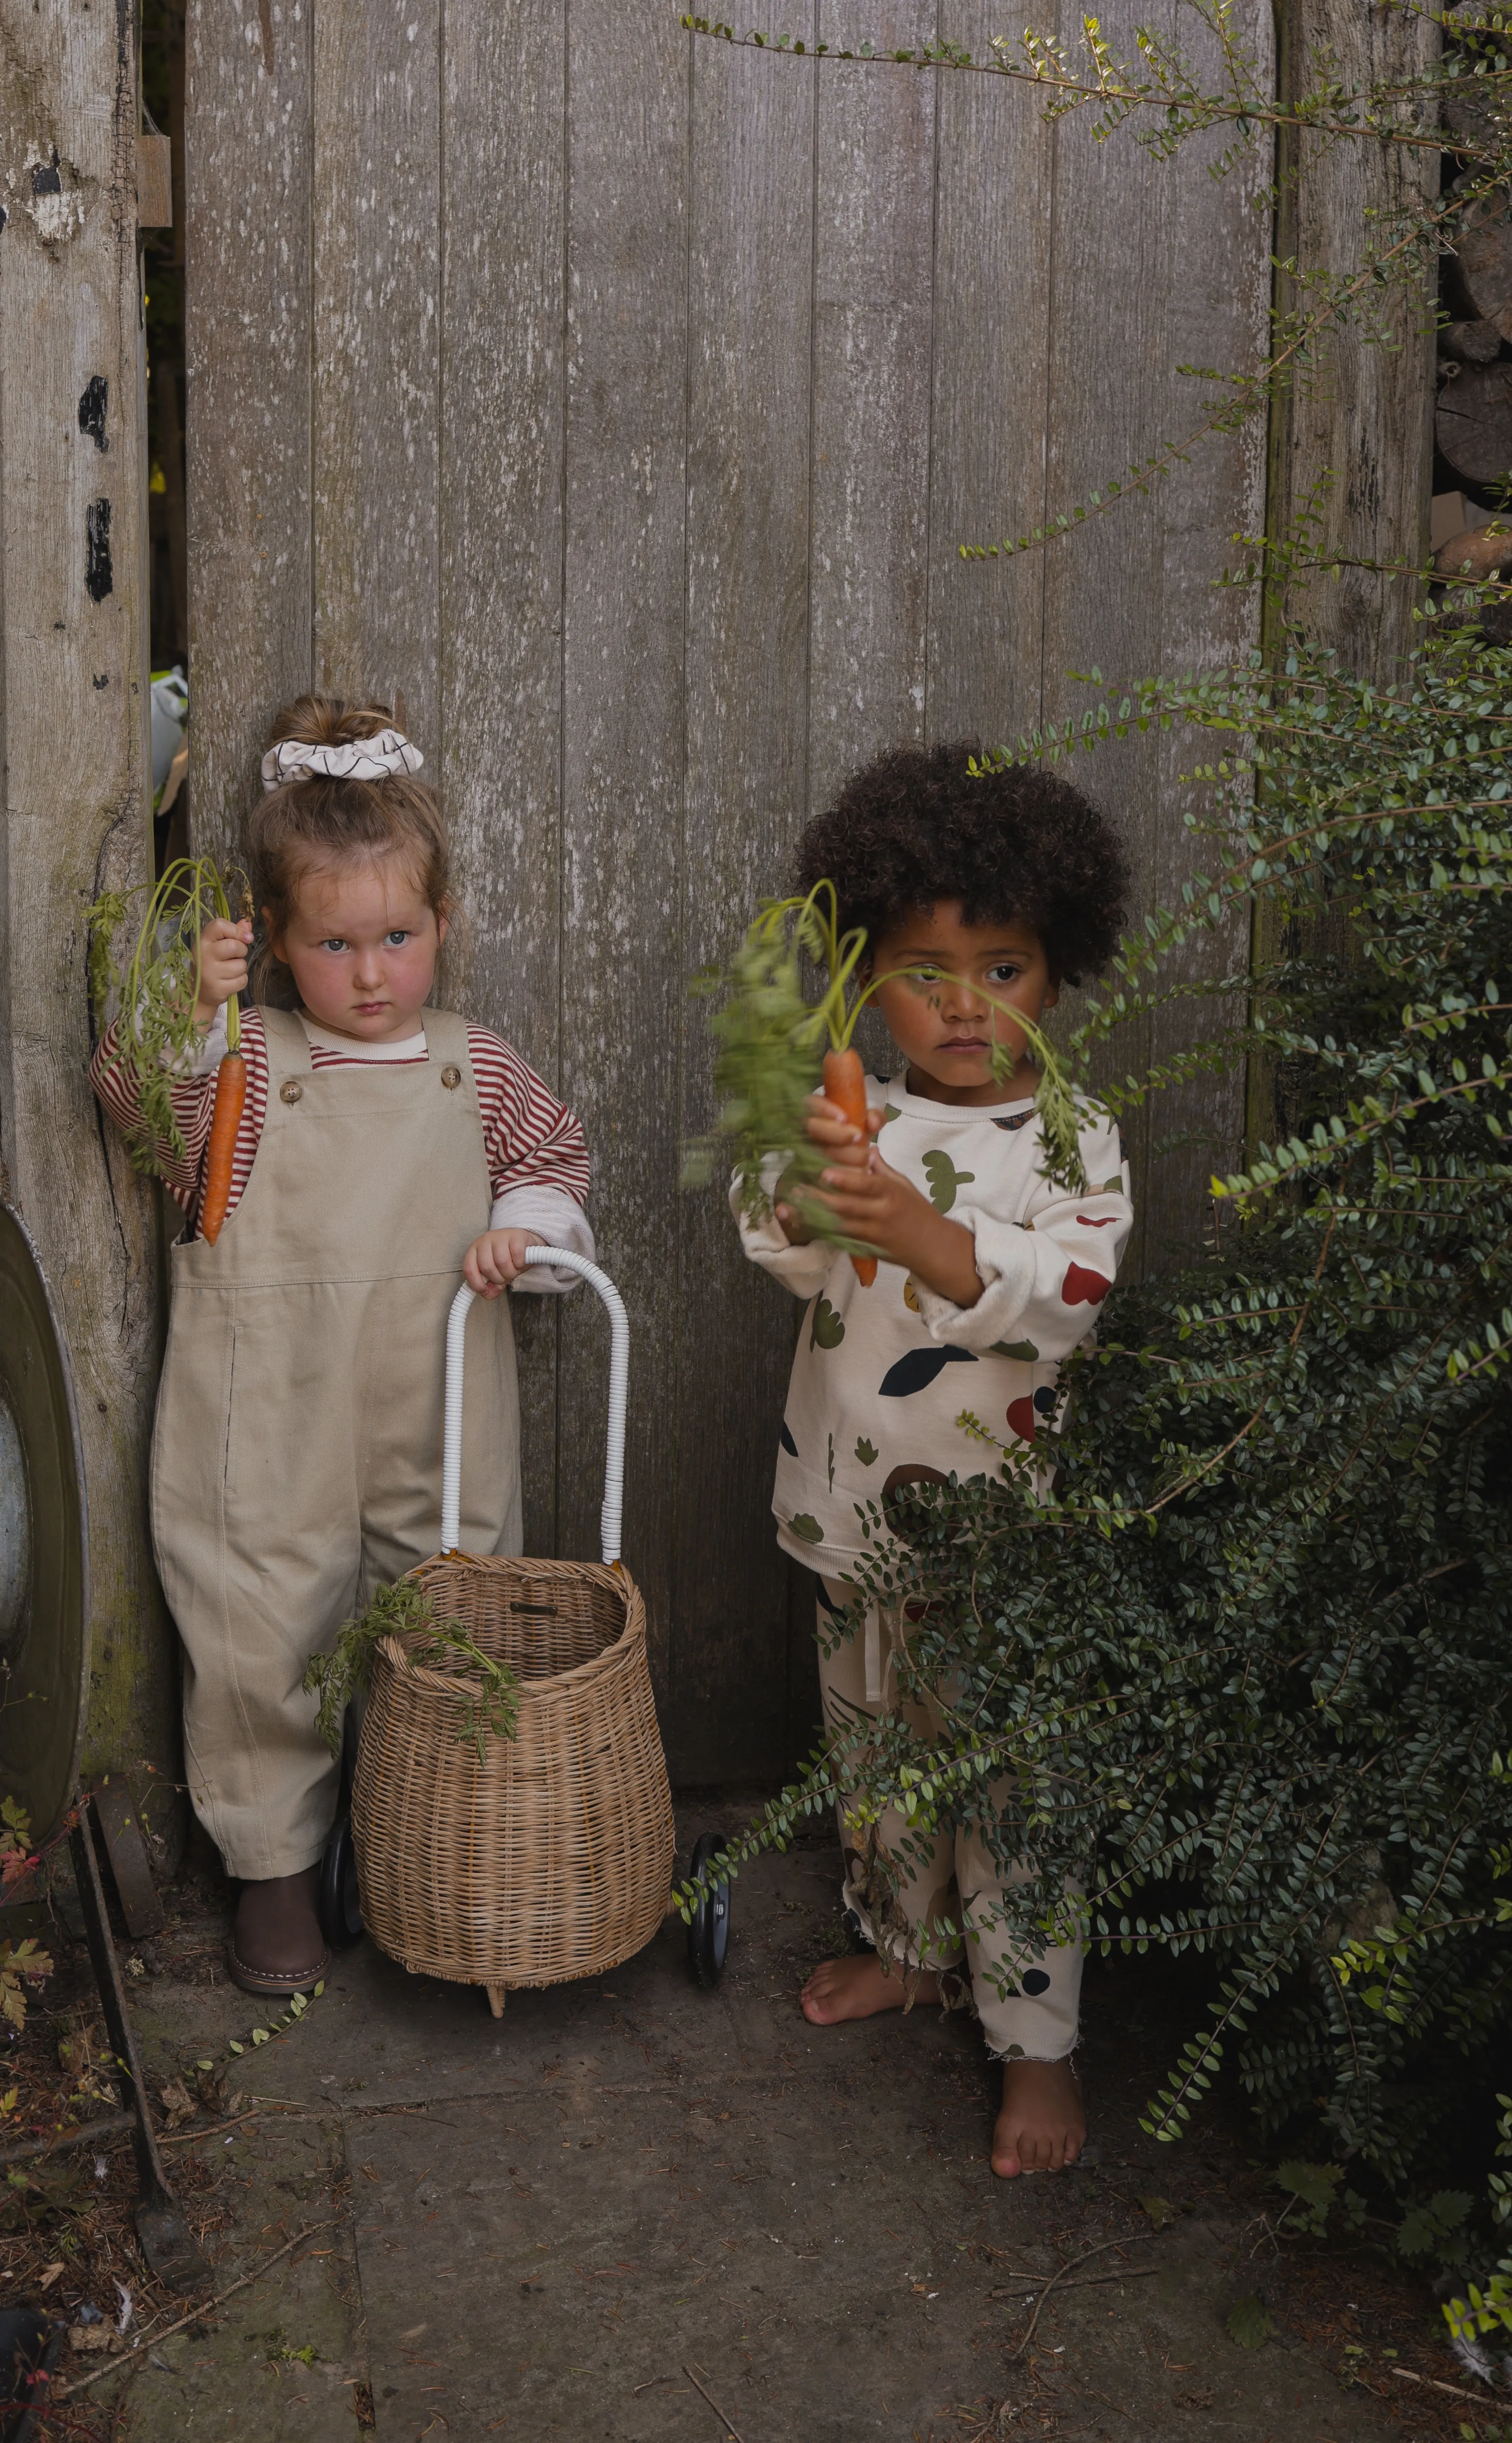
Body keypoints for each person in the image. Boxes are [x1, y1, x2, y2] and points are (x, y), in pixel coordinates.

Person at [91, 696, 593, 1996]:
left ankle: (416, 1844)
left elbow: (553, 1162)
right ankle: (271, 1870)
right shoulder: (249, 1059)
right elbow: (154, 1134)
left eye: (398, 938)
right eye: (335, 944)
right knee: (263, 1608)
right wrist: (184, 1014)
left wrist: (523, 1236)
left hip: (438, 1393)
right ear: (271, 945)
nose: (372, 974)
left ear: (441, 927)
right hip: (272, 1397)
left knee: (448, 1602)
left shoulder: (473, 1068)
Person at [733, 740, 1132, 2178]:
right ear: (865, 979)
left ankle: (1039, 2039)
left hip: (1004, 1536)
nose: (964, 1008)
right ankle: (908, 1947)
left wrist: (924, 1233)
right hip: (850, 1506)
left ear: (1060, 968)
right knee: (878, 1749)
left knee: (1017, 1777)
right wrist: (805, 1183)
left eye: (1005, 970)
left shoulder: (1074, 1138)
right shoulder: (854, 1114)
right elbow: (772, 1244)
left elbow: (1073, 1301)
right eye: (922, 971)